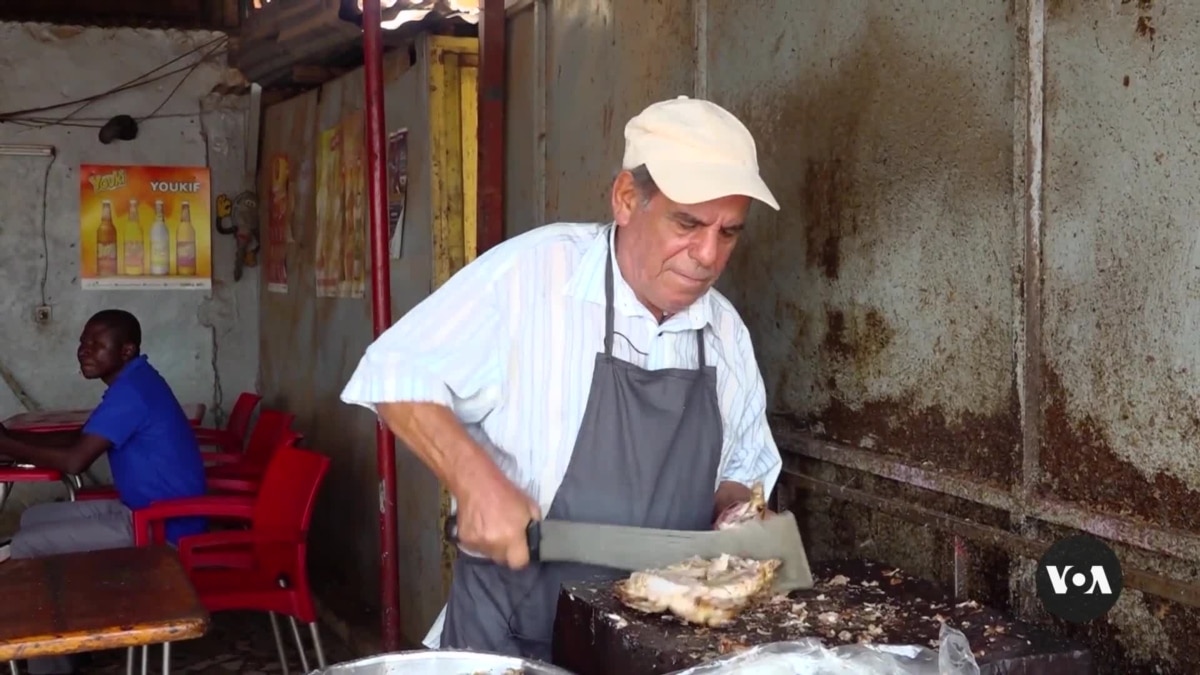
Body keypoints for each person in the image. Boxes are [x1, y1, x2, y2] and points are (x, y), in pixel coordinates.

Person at [341, 95, 783, 659]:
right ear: (627, 199)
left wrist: (739, 518)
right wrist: (475, 481)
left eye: (729, 232)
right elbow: (394, 370)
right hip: (512, 635)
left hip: (652, 645)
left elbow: (742, 472)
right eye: (688, 223)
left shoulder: (724, 334)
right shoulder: (534, 277)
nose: (707, 254)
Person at [0, 309, 208, 674]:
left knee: (28, 547)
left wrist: (8, 443)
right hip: (140, 509)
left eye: (97, 345)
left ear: (126, 350)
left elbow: (75, 461)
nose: (84, 351)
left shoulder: (132, 390)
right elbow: (85, 440)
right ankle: (71, 635)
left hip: (161, 527)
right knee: (33, 517)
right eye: (83, 342)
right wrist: (11, 443)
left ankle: (51, 666)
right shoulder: (134, 381)